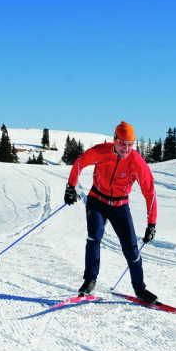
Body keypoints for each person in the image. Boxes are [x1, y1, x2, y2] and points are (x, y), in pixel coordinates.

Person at [64, 121, 158, 303]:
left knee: (131, 249)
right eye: (123, 143)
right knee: (94, 237)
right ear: (114, 140)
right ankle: (89, 280)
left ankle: (140, 289)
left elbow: (150, 193)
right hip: (97, 200)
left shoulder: (136, 162)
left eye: (130, 144)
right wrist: (70, 187)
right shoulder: (101, 151)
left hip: (120, 206)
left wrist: (151, 224)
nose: (126, 148)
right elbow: (79, 163)